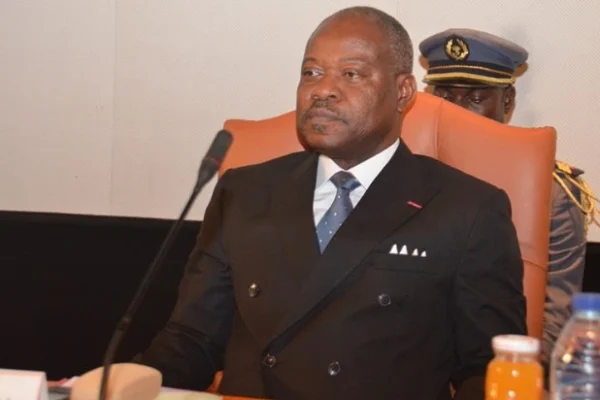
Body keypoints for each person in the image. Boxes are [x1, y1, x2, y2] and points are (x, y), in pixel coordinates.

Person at [136, 8, 526, 400]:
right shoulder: (245, 191)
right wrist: (122, 381)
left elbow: (490, 369)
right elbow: (192, 341)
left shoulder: (468, 209)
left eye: (351, 74)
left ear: (403, 92)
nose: (322, 90)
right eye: (312, 72)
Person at [419, 28, 599, 382]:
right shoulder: (404, 179)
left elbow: (552, 329)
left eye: (475, 98)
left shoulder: (550, 194)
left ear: (507, 102)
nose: (456, 112)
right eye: (444, 97)